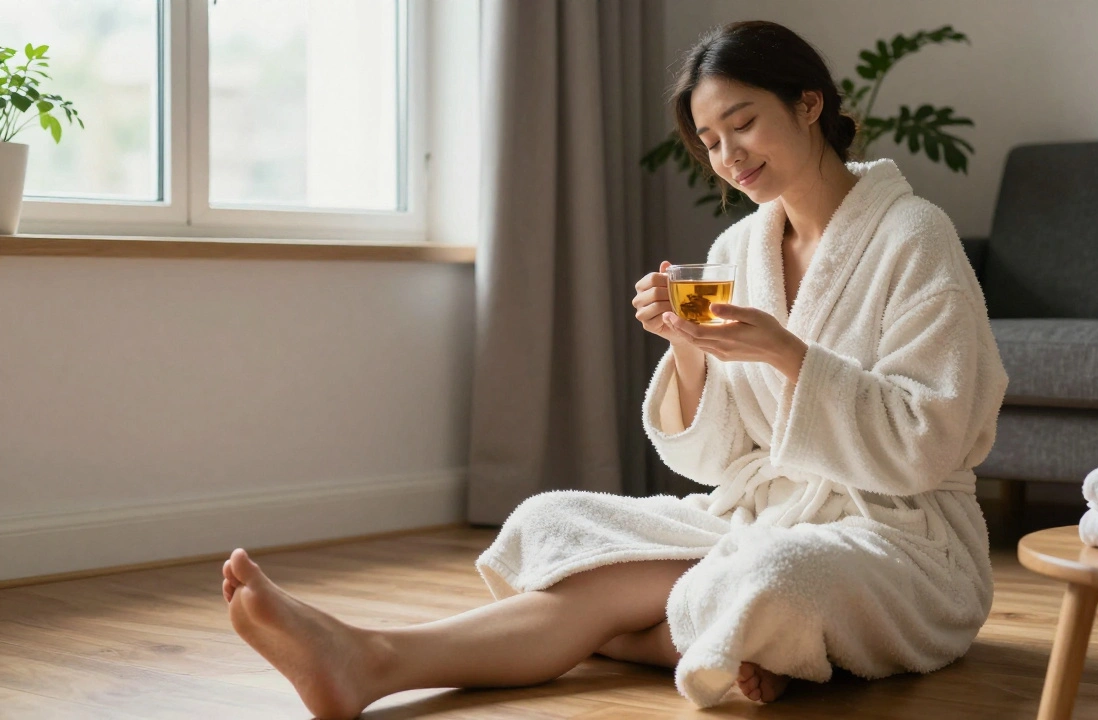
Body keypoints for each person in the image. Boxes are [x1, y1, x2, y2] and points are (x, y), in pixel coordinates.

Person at [219, 19, 1009, 719]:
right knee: (552, 521)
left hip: (900, 539)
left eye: (745, 123)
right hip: (764, 514)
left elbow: (929, 440)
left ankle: (666, 635)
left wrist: (785, 351)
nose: (730, 157)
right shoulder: (739, 252)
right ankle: (369, 659)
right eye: (710, 140)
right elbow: (718, 461)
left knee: (778, 573)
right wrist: (688, 346)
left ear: (809, 105)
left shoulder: (914, 237)